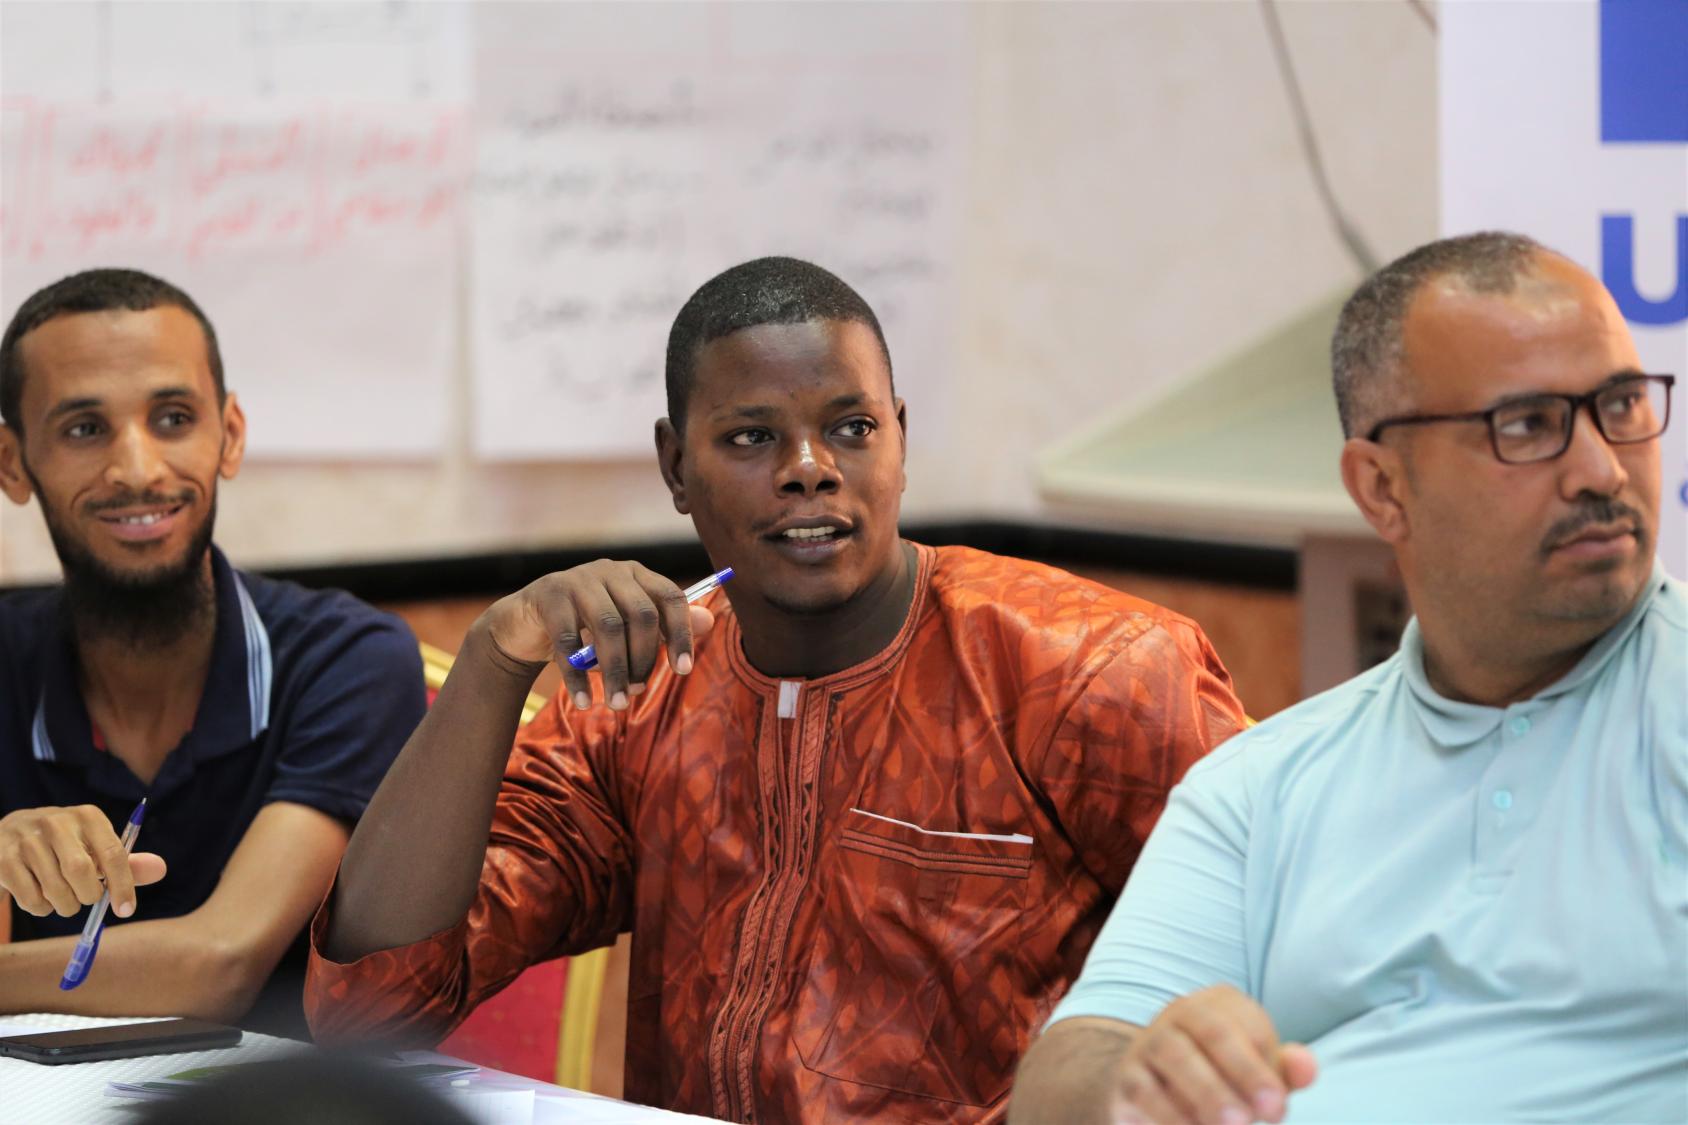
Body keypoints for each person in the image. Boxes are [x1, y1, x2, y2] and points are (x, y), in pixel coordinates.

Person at [306, 256, 1249, 1121]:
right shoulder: (645, 699)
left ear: (900, 439)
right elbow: (370, 1008)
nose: (810, 469)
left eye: (852, 427)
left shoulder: (1093, 667)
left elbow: (1280, 971)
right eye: (753, 436)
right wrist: (491, 662)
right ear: (677, 464)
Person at [1010, 232, 1686, 1124]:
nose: (1601, 467)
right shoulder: (1262, 785)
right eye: (1527, 425)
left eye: (1623, 405)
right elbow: (1063, 1081)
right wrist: (1151, 1073)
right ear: (1382, 489)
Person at [0, 269, 425, 1037]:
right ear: (11, 463)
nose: (137, 468)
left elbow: (221, 962)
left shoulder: (346, 658)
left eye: (171, 418)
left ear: (228, 436)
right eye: (84, 429)